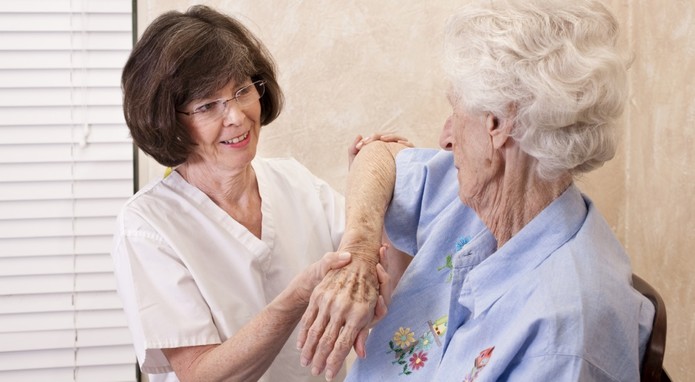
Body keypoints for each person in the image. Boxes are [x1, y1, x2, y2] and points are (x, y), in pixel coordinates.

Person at [298, 0, 655, 380]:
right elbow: (379, 154)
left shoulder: (560, 340)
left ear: (497, 125)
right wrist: (359, 253)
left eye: (457, 112)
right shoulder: (489, 192)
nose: (445, 137)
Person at [111, 5, 399, 382]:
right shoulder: (148, 226)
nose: (236, 116)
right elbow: (200, 374)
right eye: (208, 105)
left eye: (242, 90)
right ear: (168, 121)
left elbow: (384, 270)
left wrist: (370, 191)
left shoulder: (293, 181)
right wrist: (299, 295)